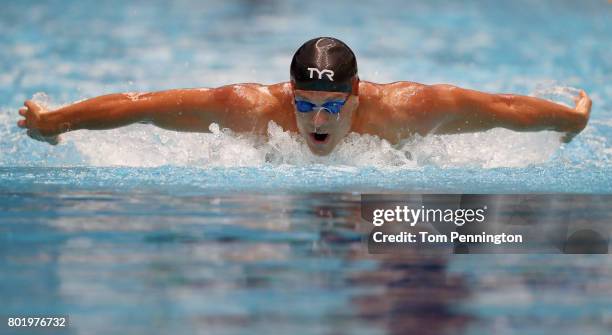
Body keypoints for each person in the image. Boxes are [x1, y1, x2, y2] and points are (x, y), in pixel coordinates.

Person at [18, 37, 591, 156]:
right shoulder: (248, 108)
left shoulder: (407, 109)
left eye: (333, 106)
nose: (318, 121)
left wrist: (570, 121)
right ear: (289, 93)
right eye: (306, 105)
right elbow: (139, 105)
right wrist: (56, 122)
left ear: (357, 94)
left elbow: (505, 110)